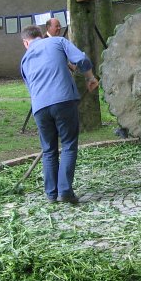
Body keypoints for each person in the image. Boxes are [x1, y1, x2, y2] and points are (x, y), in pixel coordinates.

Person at [20, 25, 99, 204]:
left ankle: (51, 194)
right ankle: (65, 191)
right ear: (41, 35)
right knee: (69, 144)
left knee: (49, 150)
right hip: (63, 101)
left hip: (39, 107)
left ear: (26, 43)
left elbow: (30, 88)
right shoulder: (58, 41)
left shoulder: (24, 61)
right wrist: (90, 77)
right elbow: (82, 59)